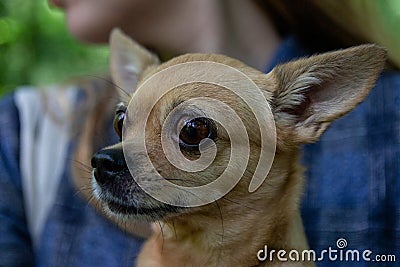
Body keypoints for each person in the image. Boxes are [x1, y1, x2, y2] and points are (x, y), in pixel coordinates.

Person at [0, 0, 398, 266]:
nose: (111, 155)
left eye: (191, 131)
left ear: (305, 106)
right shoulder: (21, 131)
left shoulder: (388, 126)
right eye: (124, 123)